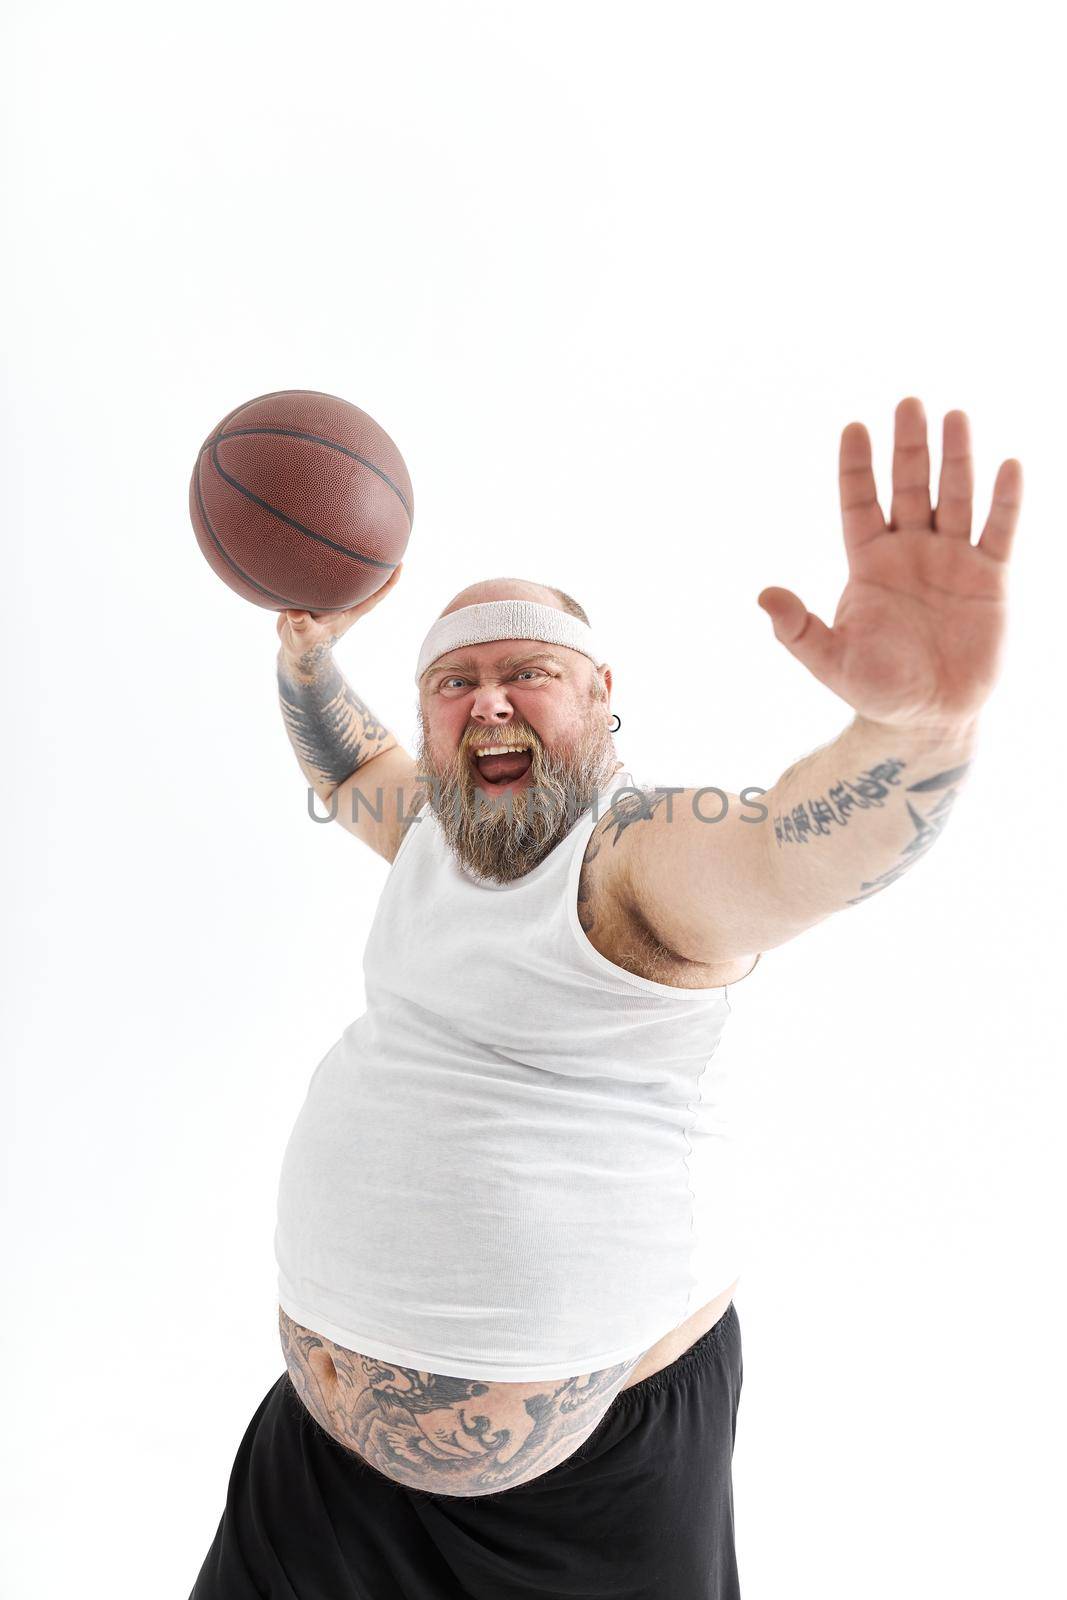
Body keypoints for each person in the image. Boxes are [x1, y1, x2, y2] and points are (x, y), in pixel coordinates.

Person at [189, 397, 1022, 1598]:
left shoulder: (633, 859)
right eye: (453, 683)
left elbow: (790, 853)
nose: (486, 702)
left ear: (597, 697)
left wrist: (920, 732)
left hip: (587, 1501)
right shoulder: (431, 826)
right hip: (324, 1468)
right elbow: (342, 758)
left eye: (526, 673)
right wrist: (308, 659)